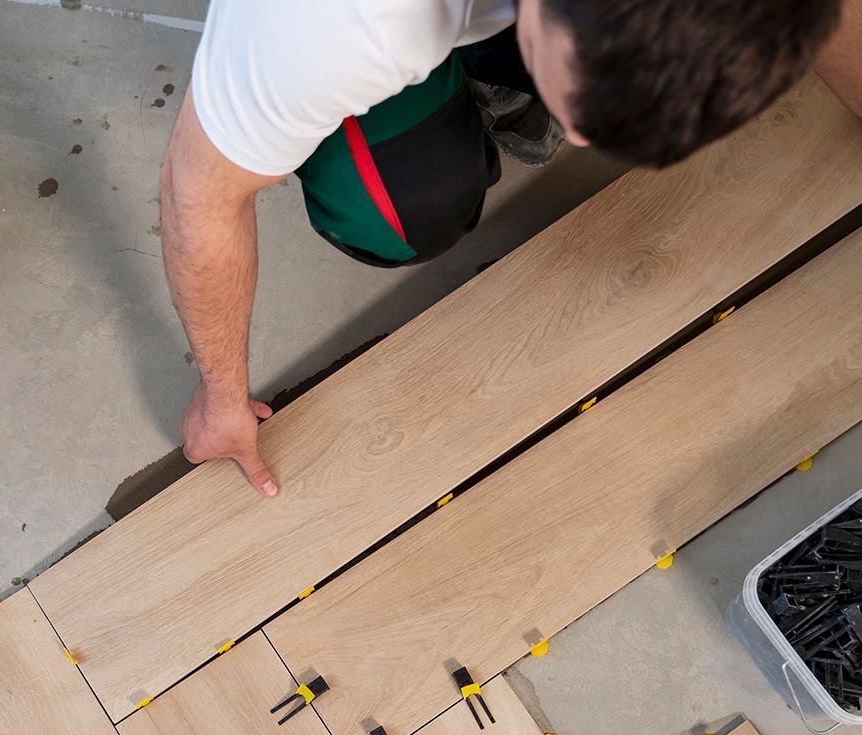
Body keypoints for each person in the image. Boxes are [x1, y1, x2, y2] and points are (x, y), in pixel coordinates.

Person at [160, 0, 857, 497]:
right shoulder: (337, 25)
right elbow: (200, 197)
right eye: (587, 116)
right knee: (403, 210)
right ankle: (472, 75)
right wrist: (220, 396)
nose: (580, 144)